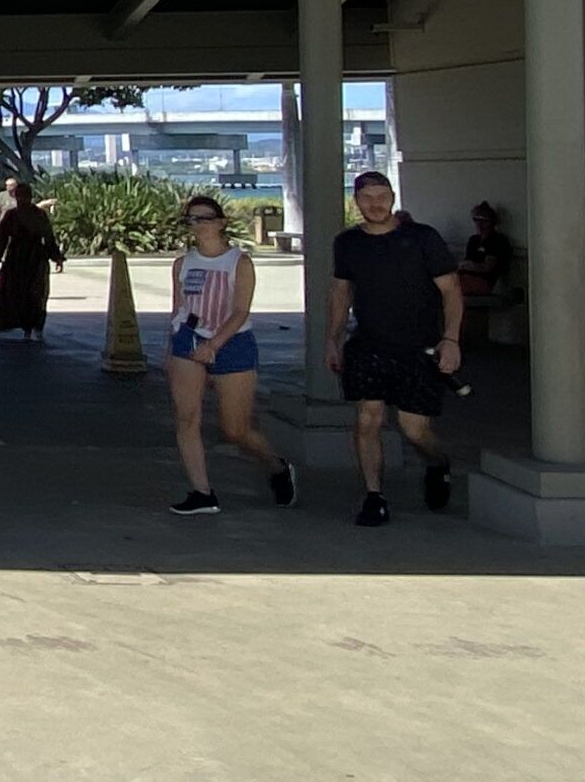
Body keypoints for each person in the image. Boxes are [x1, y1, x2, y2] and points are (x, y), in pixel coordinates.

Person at [329, 170, 463, 526]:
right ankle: (374, 496)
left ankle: (438, 463)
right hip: (368, 345)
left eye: (382, 197)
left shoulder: (422, 238)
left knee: (414, 429)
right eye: (367, 197)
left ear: (392, 197)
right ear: (356, 201)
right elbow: (341, 292)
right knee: (367, 419)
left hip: (419, 348)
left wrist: (451, 339)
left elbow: (451, 290)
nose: (375, 204)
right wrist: (333, 339)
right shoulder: (347, 243)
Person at [165, 194, 296, 515]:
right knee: (187, 418)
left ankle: (277, 466)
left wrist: (214, 344)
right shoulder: (183, 263)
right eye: (192, 219)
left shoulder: (239, 262)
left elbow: (240, 310)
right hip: (188, 341)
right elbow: (178, 308)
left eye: (205, 218)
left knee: (235, 429)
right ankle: (202, 492)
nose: (198, 224)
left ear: (221, 222)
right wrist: (175, 344)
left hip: (232, 343)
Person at [0, 178, 63, 339]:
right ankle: (32, 327)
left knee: (21, 292)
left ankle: (28, 327)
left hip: (19, 258)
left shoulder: (13, 215)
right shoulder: (37, 215)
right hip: (33, 258)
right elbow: (48, 239)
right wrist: (56, 257)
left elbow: (1, 239)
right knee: (34, 294)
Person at [456, 201, 511, 297]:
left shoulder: (497, 240)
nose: (479, 224)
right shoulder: (473, 240)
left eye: (484, 221)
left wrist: (471, 266)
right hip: (465, 277)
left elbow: (487, 267)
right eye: (476, 220)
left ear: (492, 222)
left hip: (483, 281)